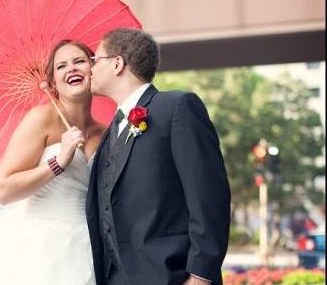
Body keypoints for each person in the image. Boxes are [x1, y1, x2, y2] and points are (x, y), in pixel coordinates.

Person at [86, 28, 231, 285]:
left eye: (95, 60)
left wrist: (201, 274)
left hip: (171, 275)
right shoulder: (110, 131)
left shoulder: (176, 107)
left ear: (117, 63)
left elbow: (209, 195)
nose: (90, 69)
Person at [0, 39, 105, 285]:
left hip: (88, 247)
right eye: (61, 66)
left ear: (93, 70)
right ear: (53, 81)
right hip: (39, 247)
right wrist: (59, 161)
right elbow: (4, 191)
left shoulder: (106, 131)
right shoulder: (41, 118)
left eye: (79, 61)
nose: (72, 69)